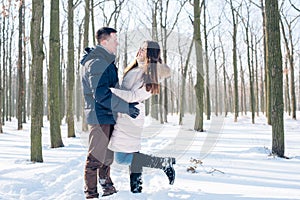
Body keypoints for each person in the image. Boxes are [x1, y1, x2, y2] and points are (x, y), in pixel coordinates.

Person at [108, 41, 176, 193]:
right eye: (140, 47)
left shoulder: (151, 76)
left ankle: (161, 164)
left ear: (150, 54)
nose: (139, 50)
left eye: (144, 49)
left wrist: (111, 91)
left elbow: (132, 96)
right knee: (132, 154)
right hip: (123, 112)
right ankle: (136, 188)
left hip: (132, 116)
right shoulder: (136, 67)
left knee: (121, 157)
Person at [81, 27, 140, 199]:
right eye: (115, 40)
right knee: (95, 158)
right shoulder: (97, 62)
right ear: (104, 41)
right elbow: (101, 94)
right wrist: (125, 107)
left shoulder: (104, 61)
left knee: (107, 156)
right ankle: (91, 194)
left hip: (107, 115)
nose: (118, 43)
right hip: (100, 116)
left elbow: (112, 89)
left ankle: (107, 186)